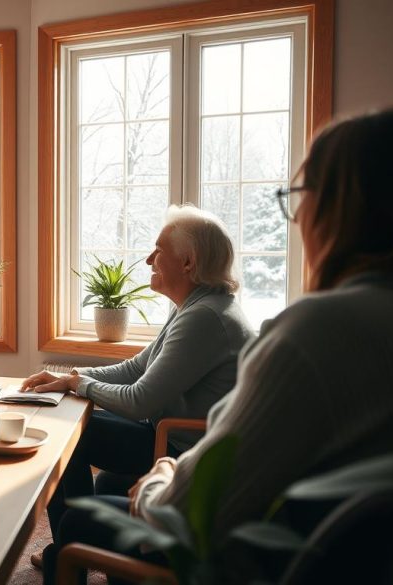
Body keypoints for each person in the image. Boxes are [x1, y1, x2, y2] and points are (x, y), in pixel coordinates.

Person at [45, 107, 393, 584]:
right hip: (343, 564)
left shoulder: (314, 332)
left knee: (81, 519)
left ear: (339, 209)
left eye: (300, 197)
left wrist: (161, 474)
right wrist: (75, 379)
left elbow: (189, 510)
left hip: (255, 562)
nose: (297, 219)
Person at [24, 205, 255, 567]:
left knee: (68, 433)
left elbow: (140, 401)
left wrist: (77, 384)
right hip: (169, 434)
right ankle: (71, 547)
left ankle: (67, 553)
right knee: (74, 432)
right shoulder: (193, 307)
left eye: (159, 251)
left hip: (180, 450)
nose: (149, 259)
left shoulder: (206, 318)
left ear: (189, 263)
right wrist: (68, 377)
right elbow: (136, 368)